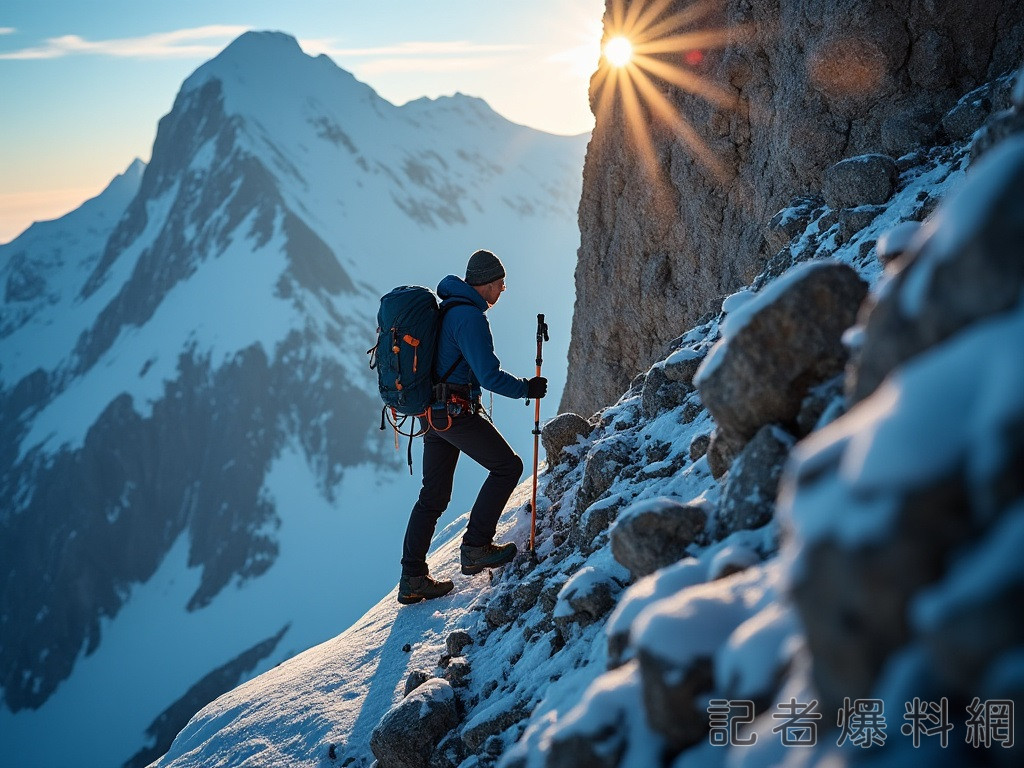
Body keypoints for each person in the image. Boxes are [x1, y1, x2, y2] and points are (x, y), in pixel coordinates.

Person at [397, 249, 548, 605]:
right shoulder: (469, 318)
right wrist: (527, 388)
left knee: (432, 497)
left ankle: (412, 577)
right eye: (500, 283)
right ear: (486, 282)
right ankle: (476, 547)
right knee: (508, 466)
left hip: (432, 415)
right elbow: (489, 375)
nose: (503, 290)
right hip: (454, 413)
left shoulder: (449, 309)